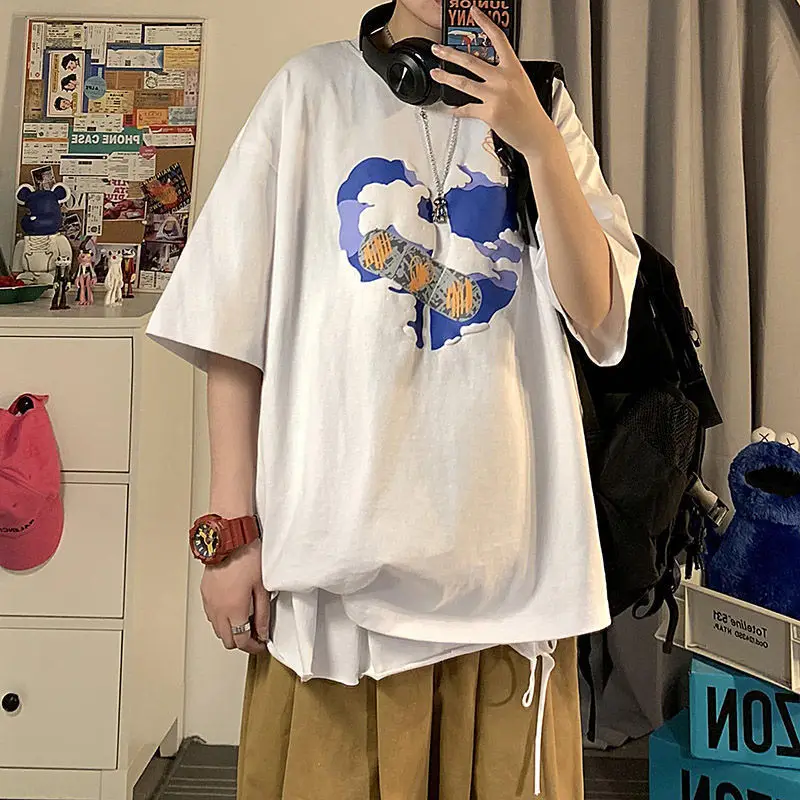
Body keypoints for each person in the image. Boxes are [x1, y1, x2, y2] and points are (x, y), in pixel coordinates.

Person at [147, 1, 641, 797]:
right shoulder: (309, 93)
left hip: (509, 596)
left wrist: (538, 141)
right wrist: (230, 536)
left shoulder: (542, 108)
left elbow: (601, 316)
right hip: (340, 600)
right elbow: (231, 325)